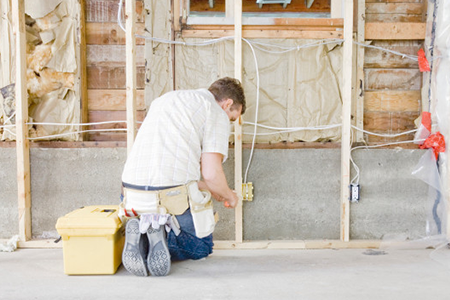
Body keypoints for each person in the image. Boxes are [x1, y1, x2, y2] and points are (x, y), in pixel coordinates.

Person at [120, 77, 246, 277]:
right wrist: (230, 197)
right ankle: (161, 235)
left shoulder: (164, 100)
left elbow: (177, 171)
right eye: (232, 118)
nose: (229, 123)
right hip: (170, 196)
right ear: (228, 104)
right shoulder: (215, 112)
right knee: (202, 245)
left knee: (166, 200)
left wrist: (214, 189)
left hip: (129, 193)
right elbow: (211, 173)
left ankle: (142, 232)